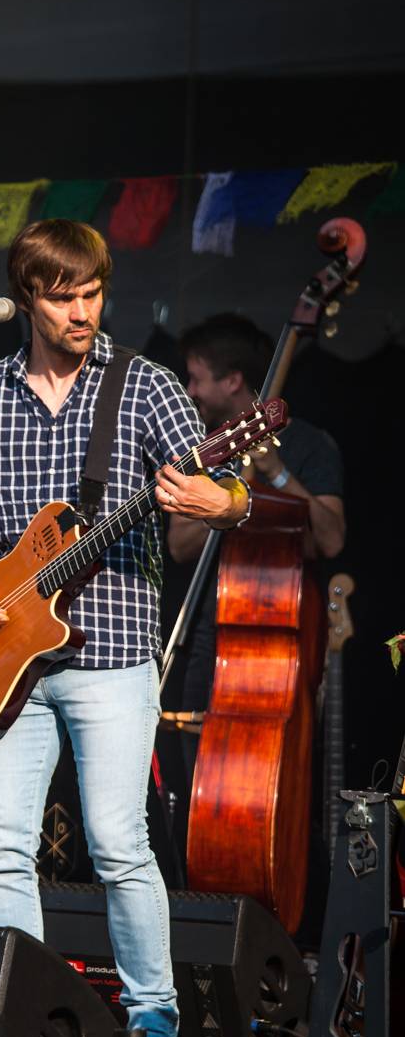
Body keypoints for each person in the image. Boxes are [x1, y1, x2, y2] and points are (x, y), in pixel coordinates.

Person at [0, 220, 249, 1037]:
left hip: (112, 655)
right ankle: (25, 1018)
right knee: (2, 848)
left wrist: (219, 502)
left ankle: (152, 1019)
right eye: (62, 298)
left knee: (120, 842)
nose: (82, 312)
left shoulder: (145, 386)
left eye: (92, 294)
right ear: (27, 299)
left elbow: (228, 487)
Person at [167, 313, 345, 734]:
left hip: (285, 643)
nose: (190, 392)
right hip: (212, 638)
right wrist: (229, 503)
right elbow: (178, 546)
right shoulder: (201, 452)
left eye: (196, 379)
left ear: (232, 380)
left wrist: (277, 472)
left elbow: (331, 539)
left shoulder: (310, 445)